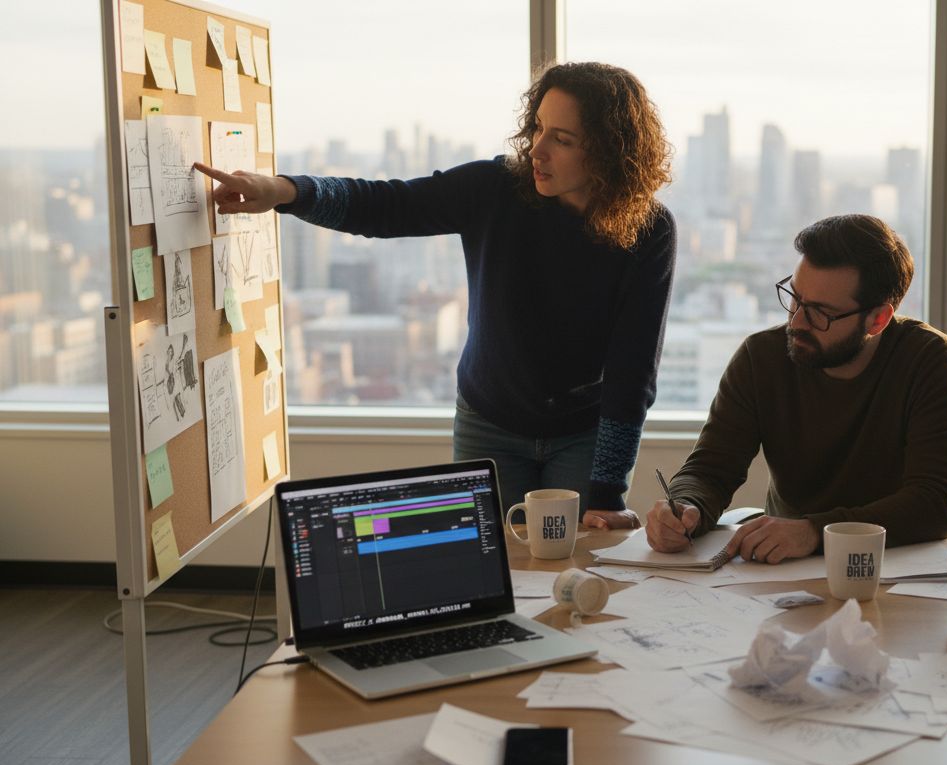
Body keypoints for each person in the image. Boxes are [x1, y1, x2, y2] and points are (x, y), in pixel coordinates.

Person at [194, 63, 675, 526]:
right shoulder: (497, 188)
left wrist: (608, 491)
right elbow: (389, 204)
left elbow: (633, 371)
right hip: (490, 423)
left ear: (609, 153)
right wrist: (285, 191)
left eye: (562, 139)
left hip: (584, 436)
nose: (537, 149)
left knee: (576, 571)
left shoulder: (649, 231)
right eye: (538, 128)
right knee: (489, 567)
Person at [636, 214, 947, 562]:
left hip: (892, 565)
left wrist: (814, 531)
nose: (795, 322)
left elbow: (937, 503)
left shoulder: (929, 360)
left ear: (878, 319)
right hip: (782, 566)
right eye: (795, 298)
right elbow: (710, 469)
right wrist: (685, 507)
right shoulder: (761, 357)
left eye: (820, 313)